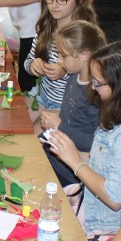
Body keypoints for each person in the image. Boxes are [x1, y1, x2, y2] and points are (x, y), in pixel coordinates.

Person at [45, 41, 121, 237]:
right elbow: (104, 163)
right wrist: (71, 154)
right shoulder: (119, 114)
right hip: (93, 211)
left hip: (108, 229)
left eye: (98, 82)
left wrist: (75, 163)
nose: (93, 86)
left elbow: (115, 199)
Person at [39, 20, 106, 188]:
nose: (60, 61)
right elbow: (69, 117)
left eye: (64, 55)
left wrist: (60, 126)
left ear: (84, 55)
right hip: (61, 146)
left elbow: (95, 144)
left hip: (75, 165)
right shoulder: (72, 75)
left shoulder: (96, 94)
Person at [25, 0, 98, 113]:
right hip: (42, 98)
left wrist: (64, 71)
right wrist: (33, 65)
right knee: (19, 127)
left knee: (34, 135)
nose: (54, 5)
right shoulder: (45, 28)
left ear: (79, 0)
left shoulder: (83, 35)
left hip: (68, 105)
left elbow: (93, 77)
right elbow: (28, 61)